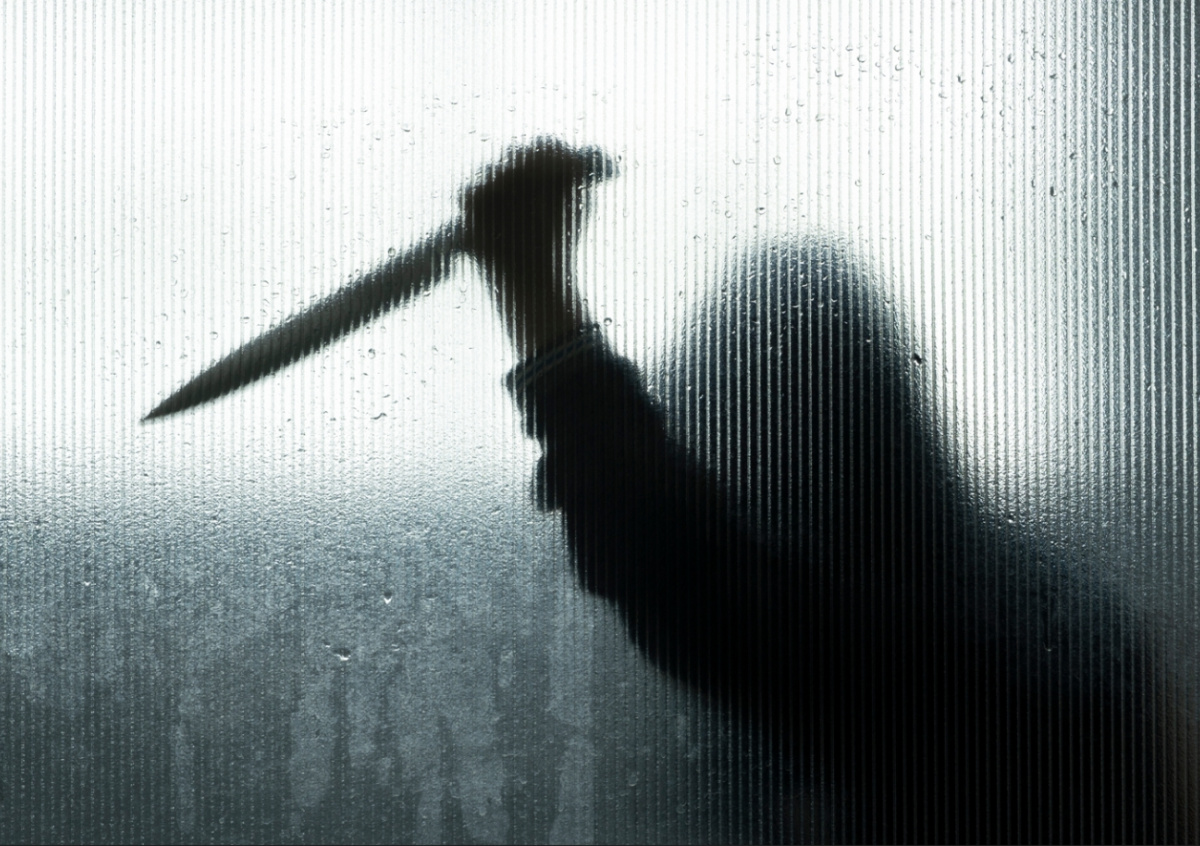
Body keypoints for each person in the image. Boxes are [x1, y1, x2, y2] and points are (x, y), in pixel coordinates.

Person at [461, 138, 1192, 843]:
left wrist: (539, 297)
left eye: (720, 431)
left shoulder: (911, 654)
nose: (712, 473)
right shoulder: (1068, 623)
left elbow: (688, 575)